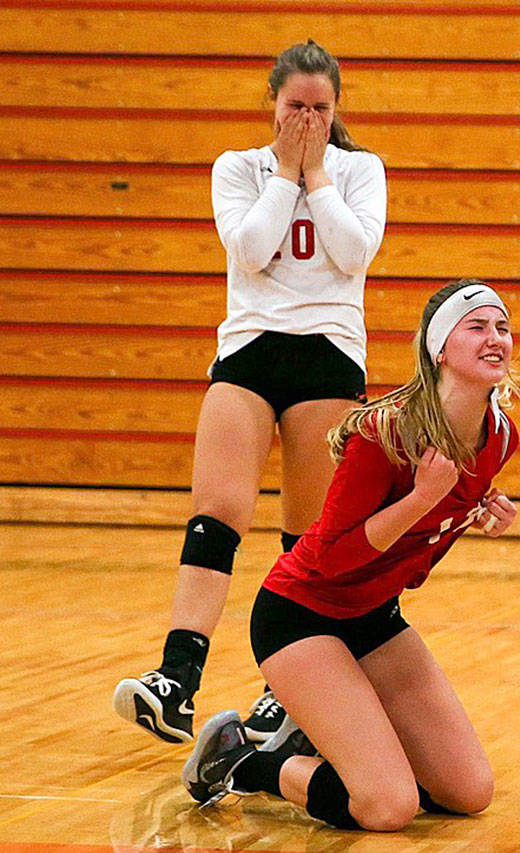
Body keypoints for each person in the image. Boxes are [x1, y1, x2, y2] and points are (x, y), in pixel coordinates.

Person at [113, 39, 388, 745]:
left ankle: (285, 691)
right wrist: (286, 174)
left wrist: (316, 174)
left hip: (329, 355)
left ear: (337, 108)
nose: (307, 119)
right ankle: (177, 678)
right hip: (249, 351)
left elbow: (354, 252)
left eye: (320, 108)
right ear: (272, 102)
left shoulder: (360, 170)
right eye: (295, 106)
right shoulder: (238, 168)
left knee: (308, 537)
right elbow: (251, 248)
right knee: (216, 513)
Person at [181, 279, 520, 831]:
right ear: (439, 349)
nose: (495, 338)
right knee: (387, 807)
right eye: (477, 326)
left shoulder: (499, 435)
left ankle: (335, 742)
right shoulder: (383, 433)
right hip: (301, 616)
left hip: (373, 615)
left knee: (468, 791)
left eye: (503, 328)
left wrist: (469, 517)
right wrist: (423, 500)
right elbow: (333, 558)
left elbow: (415, 565)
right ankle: (240, 760)